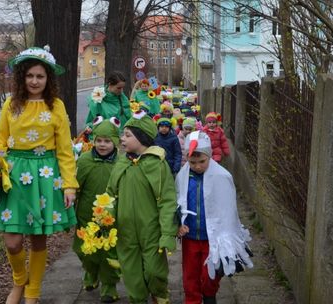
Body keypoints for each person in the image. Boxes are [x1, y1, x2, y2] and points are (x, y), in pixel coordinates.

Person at [0, 46, 78, 304]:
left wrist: (69, 185)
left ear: (48, 79)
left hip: (45, 175)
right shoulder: (10, 104)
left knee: (38, 238)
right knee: (13, 241)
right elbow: (1, 139)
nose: (35, 81)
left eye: (40, 76)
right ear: (22, 78)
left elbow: (65, 150)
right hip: (14, 177)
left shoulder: (56, 105)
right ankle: (19, 281)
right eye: (30, 76)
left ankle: (32, 293)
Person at [106, 110, 178, 304]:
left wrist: (168, 233)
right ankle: (138, 299)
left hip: (151, 230)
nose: (122, 139)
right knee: (131, 273)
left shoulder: (158, 165)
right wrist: (106, 215)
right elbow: (110, 193)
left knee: (155, 271)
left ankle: (159, 292)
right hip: (125, 231)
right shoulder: (121, 163)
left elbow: (167, 201)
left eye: (128, 135)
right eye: (123, 134)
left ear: (142, 138)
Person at [176, 131, 253, 304]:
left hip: (213, 239)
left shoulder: (222, 177)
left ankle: (209, 293)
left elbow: (228, 211)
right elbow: (178, 202)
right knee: (190, 275)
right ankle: (192, 299)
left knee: (210, 274)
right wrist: (178, 223)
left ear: (210, 156)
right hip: (190, 237)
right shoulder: (182, 176)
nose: (197, 166)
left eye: (202, 161)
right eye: (192, 162)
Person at [73, 117, 122, 303]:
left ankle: (109, 287)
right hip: (86, 214)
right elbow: (75, 186)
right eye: (99, 140)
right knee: (84, 250)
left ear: (115, 142)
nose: (102, 145)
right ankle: (91, 272)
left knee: (109, 252)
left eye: (107, 141)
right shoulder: (84, 160)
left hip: (111, 215)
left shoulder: (121, 163)